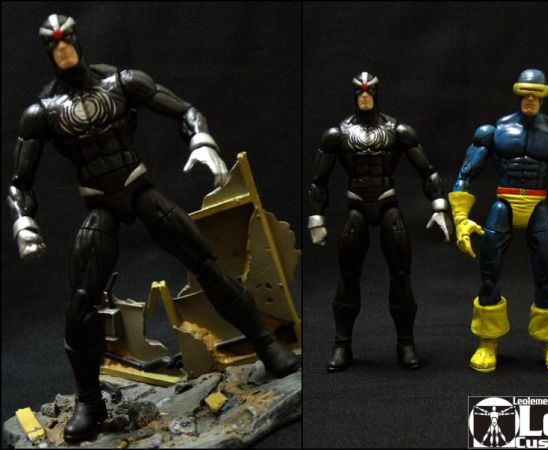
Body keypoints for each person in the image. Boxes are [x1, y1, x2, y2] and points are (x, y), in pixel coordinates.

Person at [7, 14, 300, 442]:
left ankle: (266, 345)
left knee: (205, 263)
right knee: (81, 303)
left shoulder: (122, 83)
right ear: (48, 52)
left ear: (77, 40)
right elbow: (20, 182)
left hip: (138, 188)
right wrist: (23, 221)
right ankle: (90, 402)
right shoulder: (43, 113)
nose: (62, 47)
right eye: (53, 44)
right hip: (100, 204)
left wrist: (201, 141)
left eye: (66, 38)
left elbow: (185, 111)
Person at [448, 68, 548, 373]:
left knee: (546, 276)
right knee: (489, 275)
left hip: (537, 204)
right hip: (504, 203)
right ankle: (487, 341)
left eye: (535, 93)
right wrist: (461, 218)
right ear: (517, 92)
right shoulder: (494, 132)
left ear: (544, 95)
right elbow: (465, 175)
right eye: (525, 92)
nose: (530, 98)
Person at [307, 72, 452, 372]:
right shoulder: (338, 134)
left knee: (401, 274)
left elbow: (427, 171)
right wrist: (316, 218)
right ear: (354, 95)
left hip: (388, 204)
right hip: (357, 206)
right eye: (360, 92)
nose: (364, 96)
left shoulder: (398, 130)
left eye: (369, 91)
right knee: (348, 276)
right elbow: (319, 180)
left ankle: (406, 343)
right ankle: (342, 345)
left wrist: (438, 206)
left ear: (375, 93)